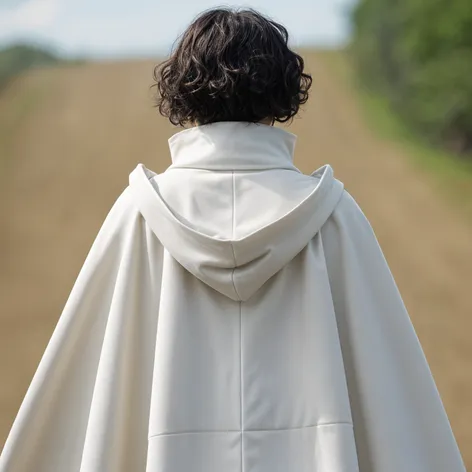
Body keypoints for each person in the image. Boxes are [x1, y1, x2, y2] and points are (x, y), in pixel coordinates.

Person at [0, 7, 465, 472]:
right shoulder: (334, 216)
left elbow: (89, 403)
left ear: (184, 89)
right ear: (282, 90)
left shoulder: (139, 215)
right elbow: (392, 404)